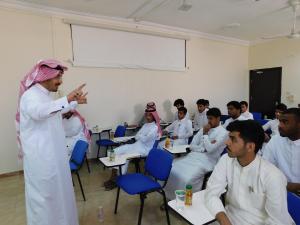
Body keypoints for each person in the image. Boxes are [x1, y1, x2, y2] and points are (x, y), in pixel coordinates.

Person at [16, 59, 88, 225]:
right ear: (44, 77)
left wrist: (74, 102)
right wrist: (67, 98)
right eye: (57, 77)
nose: (60, 81)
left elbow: (54, 112)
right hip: (42, 161)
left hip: (54, 157)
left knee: (59, 198)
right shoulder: (30, 96)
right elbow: (40, 112)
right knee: (45, 202)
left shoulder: (45, 97)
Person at [205, 120, 295, 225]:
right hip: (229, 218)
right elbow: (211, 193)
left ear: (250, 147)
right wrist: (224, 220)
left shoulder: (273, 176)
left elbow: (277, 221)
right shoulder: (226, 160)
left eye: (233, 139)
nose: (227, 142)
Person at [164, 108, 227, 200]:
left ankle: (185, 201)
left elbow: (210, 150)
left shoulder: (223, 133)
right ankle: (171, 198)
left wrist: (205, 134)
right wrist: (201, 149)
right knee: (172, 168)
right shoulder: (204, 128)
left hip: (208, 161)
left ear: (218, 118)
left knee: (187, 178)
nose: (209, 121)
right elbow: (192, 145)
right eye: (208, 118)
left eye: (211, 119)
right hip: (193, 156)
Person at [104, 102, 161, 190]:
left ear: (154, 116)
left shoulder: (155, 128)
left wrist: (141, 136)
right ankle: (113, 177)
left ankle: (117, 180)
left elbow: (144, 139)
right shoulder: (145, 125)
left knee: (125, 156)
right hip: (136, 145)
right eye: (147, 115)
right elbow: (137, 136)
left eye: (150, 115)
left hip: (144, 149)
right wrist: (141, 136)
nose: (147, 117)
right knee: (115, 151)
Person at [263, 108, 300, 194]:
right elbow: (265, 169)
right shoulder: (275, 140)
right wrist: (286, 186)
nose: (280, 126)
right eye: (280, 121)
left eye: (285, 122)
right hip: (279, 190)